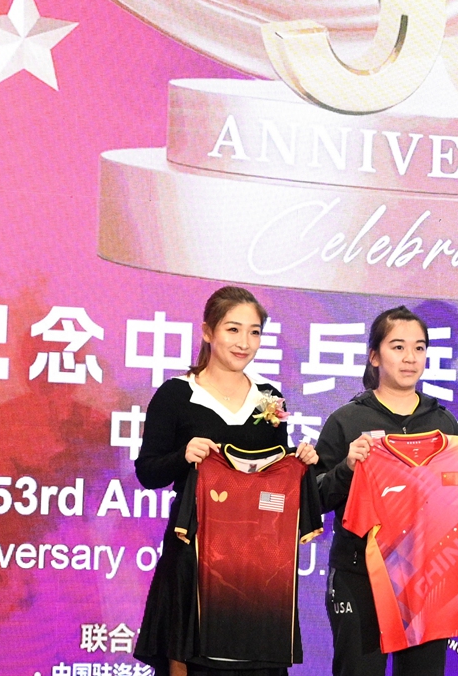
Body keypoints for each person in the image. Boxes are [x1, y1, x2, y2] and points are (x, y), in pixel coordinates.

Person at [133, 286, 318, 676]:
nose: (244, 342)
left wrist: (300, 463)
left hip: (258, 560)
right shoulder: (177, 395)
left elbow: (272, 482)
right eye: (233, 330)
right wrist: (183, 456)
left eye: (254, 332)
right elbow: (148, 472)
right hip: (194, 552)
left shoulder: (269, 398)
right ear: (207, 332)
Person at [313, 306, 458, 676]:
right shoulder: (347, 421)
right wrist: (346, 468)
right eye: (398, 347)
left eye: (420, 348)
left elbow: (453, 502)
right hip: (358, 575)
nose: (410, 358)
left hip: (428, 580)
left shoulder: (442, 421)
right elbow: (312, 498)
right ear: (374, 356)